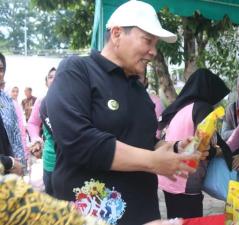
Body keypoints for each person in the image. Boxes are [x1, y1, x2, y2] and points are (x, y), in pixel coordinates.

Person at [45, 1, 200, 225]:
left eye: (156, 44)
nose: (153, 51)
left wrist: (174, 149)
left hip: (143, 214)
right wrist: (153, 161)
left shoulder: (140, 91)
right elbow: (78, 140)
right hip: (90, 215)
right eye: (147, 40)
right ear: (117, 33)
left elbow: (145, 142)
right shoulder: (78, 70)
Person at [158, 68, 233, 219]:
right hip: (186, 181)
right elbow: (203, 144)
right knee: (191, 221)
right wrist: (217, 152)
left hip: (169, 177)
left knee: (176, 221)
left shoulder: (182, 108)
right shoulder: (202, 108)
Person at [26, 67, 57, 195]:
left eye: (57, 76)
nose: (54, 79)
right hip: (50, 160)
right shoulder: (42, 101)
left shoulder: (74, 100)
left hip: (71, 162)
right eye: (50, 77)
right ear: (46, 82)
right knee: (51, 200)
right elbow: (32, 123)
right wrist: (36, 140)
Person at [0, 52, 26, 175]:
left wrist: (20, 165)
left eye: (1, 69)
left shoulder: (6, 99)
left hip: (9, 169)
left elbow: (16, 134)